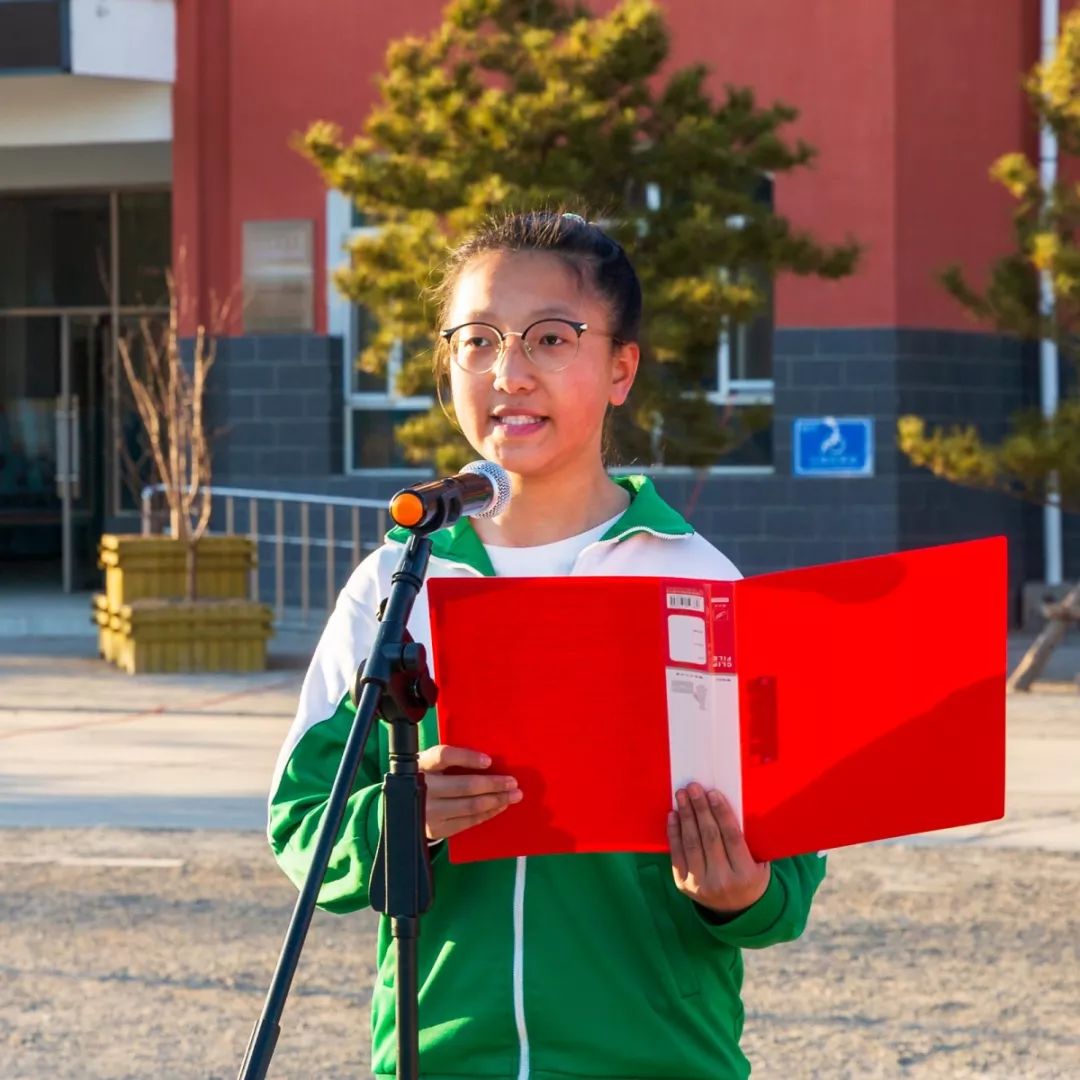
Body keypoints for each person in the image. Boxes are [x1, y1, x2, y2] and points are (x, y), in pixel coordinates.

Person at [268, 211, 827, 1079]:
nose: (509, 373)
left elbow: (789, 873)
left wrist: (741, 892)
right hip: (441, 1060)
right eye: (478, 341)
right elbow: (303, 823)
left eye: (551, 339)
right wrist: (398, 820)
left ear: (620, 369)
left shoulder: (701, 582)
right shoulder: (395, 585)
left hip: (662, 1060)